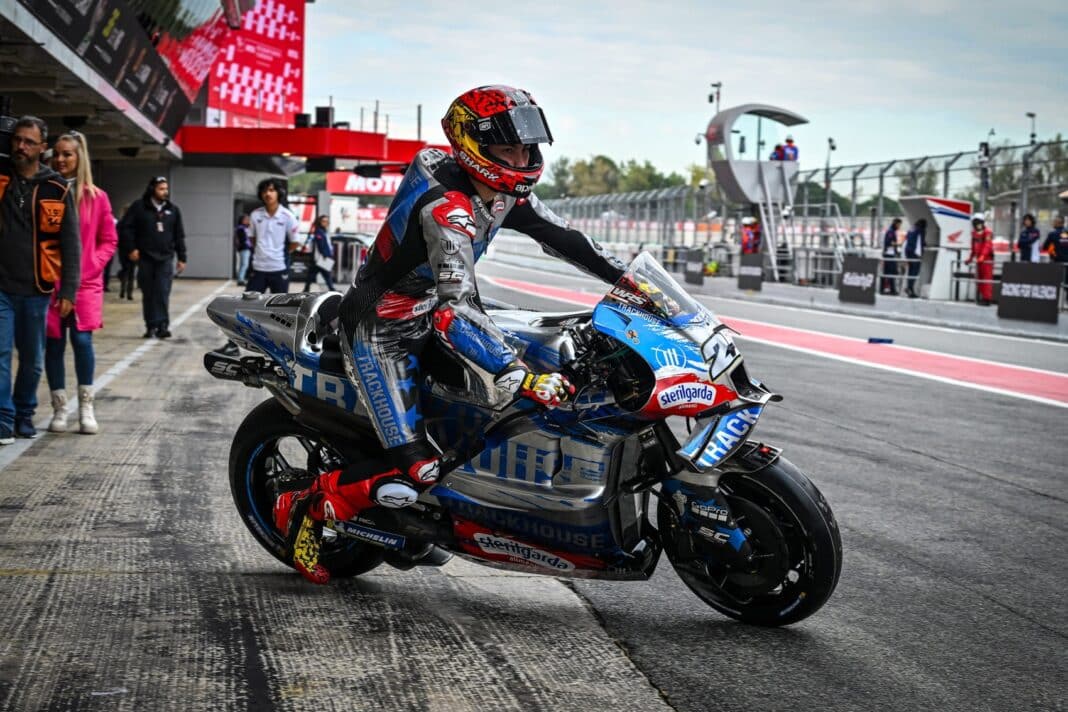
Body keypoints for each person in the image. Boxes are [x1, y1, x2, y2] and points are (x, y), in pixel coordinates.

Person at [273, 85, 627, 585]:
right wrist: (517, 373)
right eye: (508, 148)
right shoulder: (449, 211)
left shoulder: (499, 190)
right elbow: (455, 311)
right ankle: (311, 502)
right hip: (382, 332)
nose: (523, 158)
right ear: (473, 148)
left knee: (505, 406)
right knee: (419, 468)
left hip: (431, 313)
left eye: (527, 147)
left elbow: (565, 238)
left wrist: (631, 281)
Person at [0, 116, 81, 442]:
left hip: (38, 288)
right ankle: (4, 419)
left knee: (32, 360)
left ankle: (23, 413)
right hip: (1, 287)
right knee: (1, 354)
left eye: (29, 142)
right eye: (17, 139)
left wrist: (70, 291)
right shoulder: (2, 178)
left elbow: (71, 244)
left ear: (42, 147)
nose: (21, 146)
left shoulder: (57, 188)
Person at [45, 131, 118, 434]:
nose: (61, 159)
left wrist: (92, 266)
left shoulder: (96, 197)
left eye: (68, 154)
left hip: (86, 283)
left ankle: (86, 407)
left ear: (80, 157)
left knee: (82, 341)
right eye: (57, 154)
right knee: (54, 344)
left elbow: (108, 239)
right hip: (50, 281)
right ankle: (60, 408)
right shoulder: (47, 191)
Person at [118, 177, 187, 338]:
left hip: (165, 258)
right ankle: (150, 326)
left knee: (162, 292)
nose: (165, 192)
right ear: (152, 190)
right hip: (145, 258)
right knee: (148, 293)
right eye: (161, 189)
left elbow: (179, 235)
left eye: (166, 189)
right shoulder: (139, 207)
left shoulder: (173, 210)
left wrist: (182, 257)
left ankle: (163, 325)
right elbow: (126, 229)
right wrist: (131, 248)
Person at [246, 178, 301, 294]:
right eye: (264, 191)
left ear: (279, 193)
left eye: (271, 190)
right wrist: (262, 250)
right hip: (258, 268)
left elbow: (295, 242)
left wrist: (278, 253)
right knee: (249, 305)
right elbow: (252, 238)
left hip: (279, 268)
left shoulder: (288, 216)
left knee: (279, 307)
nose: (268, 194)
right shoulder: (255, 215)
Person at [302, 214, 336, 292]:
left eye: (327, 221)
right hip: (321, 258)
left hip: (321, 258)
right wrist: (326, 255)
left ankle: (306, 289)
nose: (326, 223)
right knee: (326, 274)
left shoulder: (323, 231)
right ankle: (332, 289)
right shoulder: (319, 231)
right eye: (324, 221)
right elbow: (321, 245)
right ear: (319, 222)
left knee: (313, 274)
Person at [966, 214, 994, 306]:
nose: (976, 224)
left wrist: (983, 256)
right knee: (979, 279)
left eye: (978, 222)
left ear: (982, 222)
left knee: (986, 279)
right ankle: (983, 297)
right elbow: (973, 247)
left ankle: (987, 299)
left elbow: (988, 245)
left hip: (986, 260)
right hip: (979, 260)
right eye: (975, 222)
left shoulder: (987, 232)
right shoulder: (974, 234)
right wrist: (970, 258)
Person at [903, 218, 926, 298]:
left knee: (910, 270)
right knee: (915, 271)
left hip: (908, 252)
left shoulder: (911, 229)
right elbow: (921, 242)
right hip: (915, 253)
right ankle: (910, 288)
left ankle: (909, 288)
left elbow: (906, 240)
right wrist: (921, 252)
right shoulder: (921, 230)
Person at [881, 218, 902, 295]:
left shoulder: (892, 231)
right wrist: (898, 244)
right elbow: (889, 242)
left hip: (889, 254)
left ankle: (883, 289)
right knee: (891, 272)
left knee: (887, 272)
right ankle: (892, 290)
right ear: (896, 224)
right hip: (889, 254)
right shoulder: (891, 231)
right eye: (899, 225)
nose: (899, 226)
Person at [234, 214, 252, 286]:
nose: (248, 221)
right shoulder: (241, 228)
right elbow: (243, 239)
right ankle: (240, 280)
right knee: (244, 264)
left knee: (243, 264)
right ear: (242, 220)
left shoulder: (244, 228)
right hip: (244, 248)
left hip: (245, 248)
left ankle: (241, 279)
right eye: (246, 219)